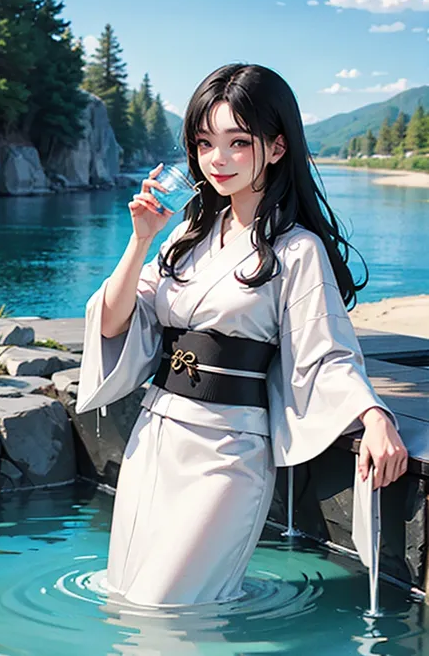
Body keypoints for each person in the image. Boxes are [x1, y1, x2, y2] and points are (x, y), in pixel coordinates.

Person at [76, 63, 408, 608]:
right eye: (206, 143)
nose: (218, 160)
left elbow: (328, 350)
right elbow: (113, 324)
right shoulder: (185, 235)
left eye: (237, 142)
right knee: (129, 602)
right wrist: (139, 242)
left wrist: (374, 415)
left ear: (277, 148)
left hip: (228, 452)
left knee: (170, 607)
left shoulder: (298, 249)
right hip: (156, 437)